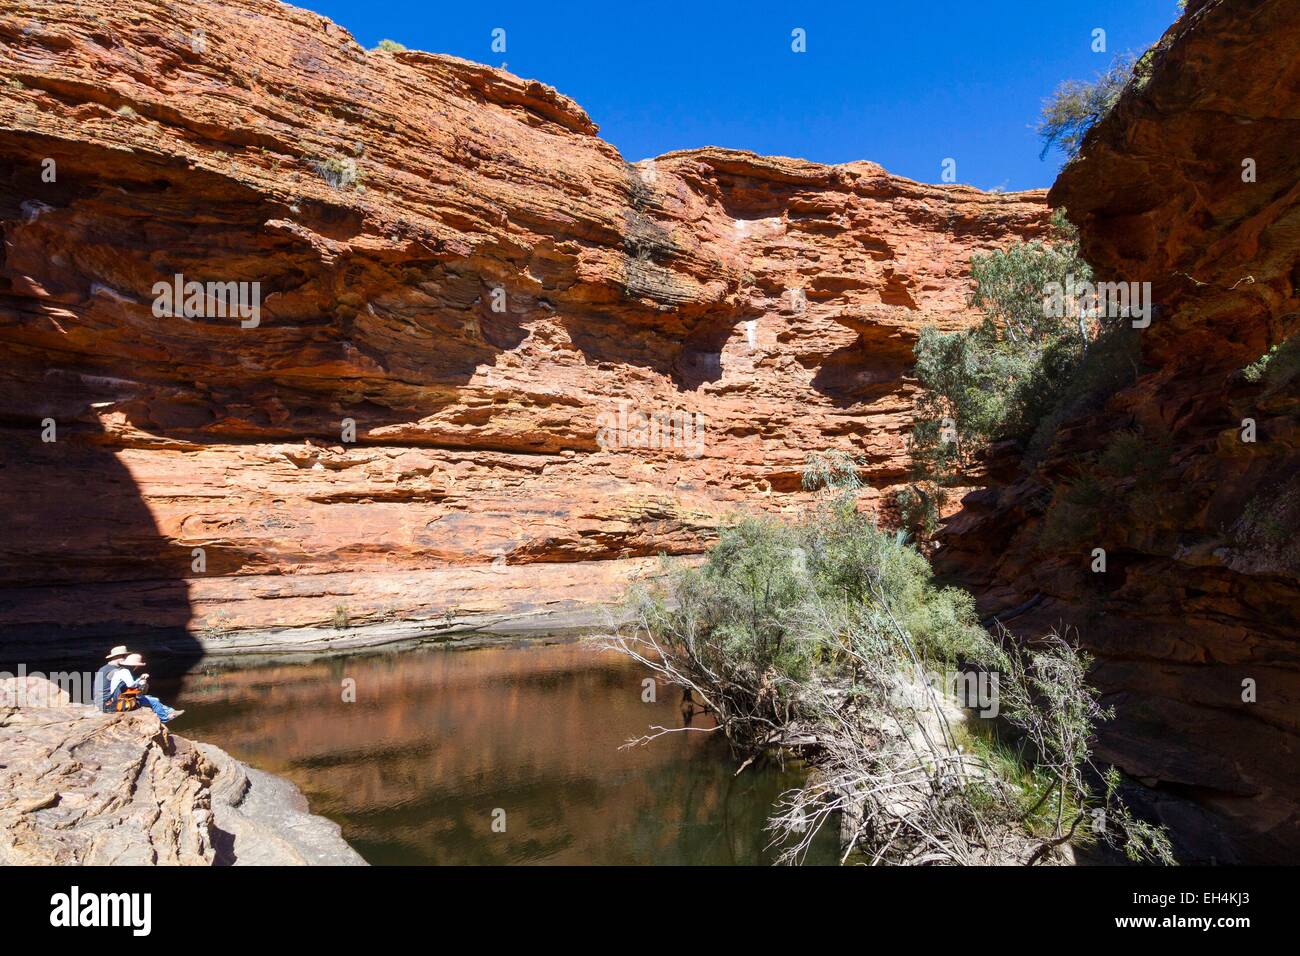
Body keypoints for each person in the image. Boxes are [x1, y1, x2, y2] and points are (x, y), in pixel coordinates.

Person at [104, 651, 184, 723]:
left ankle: (171, 711)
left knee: (153, 698)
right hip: (122, 703)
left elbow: (129, 687)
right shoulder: (125, 672)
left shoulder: (121, 671)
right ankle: (165, 718)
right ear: (135, 665)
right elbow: (131, 686)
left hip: (120, 699)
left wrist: (140, 679)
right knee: (154, 702)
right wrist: (141, 681)